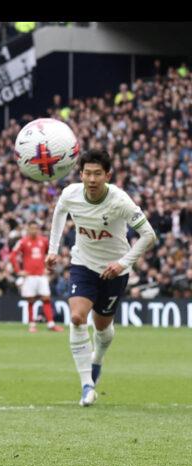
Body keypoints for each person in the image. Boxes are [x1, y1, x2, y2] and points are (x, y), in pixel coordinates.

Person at [45, 150, 156, 407]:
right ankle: (87, 385)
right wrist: (53, 250)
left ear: (107, 175)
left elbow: (148, 235)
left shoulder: (120, 201)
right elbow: (59, 213)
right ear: (80, 174)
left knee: (103, 328)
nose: (92, 179)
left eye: (97, 174)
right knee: (76, 317)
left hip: (114, 270)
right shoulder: (70, 194)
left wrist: (123, 263)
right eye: (87, 173)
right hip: (83, 264)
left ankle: (97, 361)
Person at [10, 221, 64, 332]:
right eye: (32, 228)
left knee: (46, 299)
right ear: (28, 229)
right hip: (29, 276)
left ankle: (50, 324)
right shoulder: (23, 242)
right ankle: (32, 325)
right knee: (31, 300)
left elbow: (51, 254)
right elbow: (12, 255)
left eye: (36, 228)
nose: (34, 230)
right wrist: (18, 271)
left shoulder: (43, 241)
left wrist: (48, 268)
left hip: (41, 275)